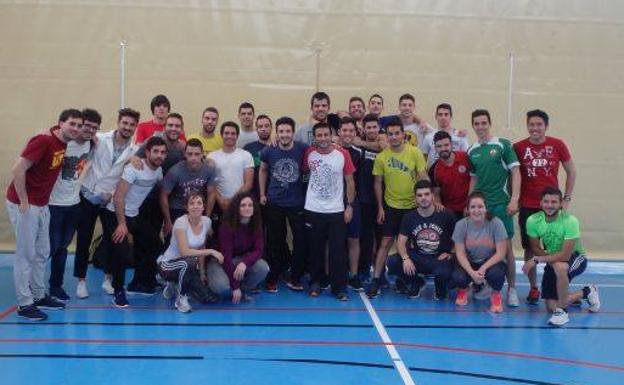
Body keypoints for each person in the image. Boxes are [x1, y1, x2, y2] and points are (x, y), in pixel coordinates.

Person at [6, 109, 81, 320]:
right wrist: (23, 200)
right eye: (72, 124)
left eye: (78, 125)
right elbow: (18, 169)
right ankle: (24, 304)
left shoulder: (60, 141)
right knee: (25, 255)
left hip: (42, 204)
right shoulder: (44, 140)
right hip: (26, 204)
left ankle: (38, 295)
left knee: (42, 252)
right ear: (60, 123)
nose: (75, 128)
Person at [74, 108, 139, 298]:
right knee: (84, 239)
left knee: (112, 240)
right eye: (124, 123)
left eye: (131, 125)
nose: (127, 127)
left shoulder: (134, 150)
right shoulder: (99, 138)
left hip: (109, 199)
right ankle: (81, 281)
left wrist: (134, 159)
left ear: (135, 127)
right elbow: (78, 134)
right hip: (88, 195)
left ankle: (107, 279)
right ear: (118, 122)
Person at [514, 109, 576, 304]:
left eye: (539, 124)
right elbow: (513, 175)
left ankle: (560, 287)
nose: (535, 128)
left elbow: (571, 171)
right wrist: (514, 199)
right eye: (531, 124)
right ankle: (534, 288)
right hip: (528, 205)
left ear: (546, 126)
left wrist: (566, 198)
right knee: (530, 249)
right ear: (527, 126)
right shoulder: (518, 147)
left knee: (556, 248)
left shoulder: (557, 144)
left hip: (551, 206)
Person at [102, 136, 166, 308]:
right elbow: (118, 197)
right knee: (121, 254)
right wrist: (122, 224)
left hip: (135, 215)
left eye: (163, 152)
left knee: (154, 244)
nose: (159, 155)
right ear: (147, 152)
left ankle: (142, 282)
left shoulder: (158, 171)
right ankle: (118, 291)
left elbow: (160, 188)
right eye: (156, 152)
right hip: (115, 214)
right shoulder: (134, 168)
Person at [127, 112, 187, 294]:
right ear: (164, 126)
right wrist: (133, 158)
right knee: (145, 242)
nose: (173, 129)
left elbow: (193, 159)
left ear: (181, 128)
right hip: (144, 200)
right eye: (170, 125)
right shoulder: (153, 141)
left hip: (165, 200)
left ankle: (149, 278)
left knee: (155, 240)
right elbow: (133, 156)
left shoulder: (182, 147)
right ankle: (137, 282)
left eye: (177, 126)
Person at [367, 117, 428, 298]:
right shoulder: (381, 157)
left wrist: (428, 201)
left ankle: (410, 279)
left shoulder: (415, 152)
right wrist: (380, 207)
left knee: (411, 246)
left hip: (412, 207)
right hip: (391, 206)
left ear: (403, 134)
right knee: (385, 243)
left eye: (396, 133)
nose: (393, 137)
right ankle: (376, 279)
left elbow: (423, 176)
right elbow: (378, 184)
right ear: (386, 135)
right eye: (390, 134)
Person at [522, 187, 599, 326]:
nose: (550, 205)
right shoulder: (533, 220)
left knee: (560, 267)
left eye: (554, 202)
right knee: (551, 306)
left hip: (576, 257)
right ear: (540, 203)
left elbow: (565, 255)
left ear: (560, 203)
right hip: (552, 258)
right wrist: (547, 258)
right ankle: (587, 291)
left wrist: (536, 259)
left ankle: (562, 312)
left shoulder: (570, 221)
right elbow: (535, 247)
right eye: (546, 201)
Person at [467, 109, 521, 307]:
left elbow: (515, 172)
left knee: (506, 250)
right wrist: (469, 203)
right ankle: (485, 284)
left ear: (489, 123)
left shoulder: (503, 145)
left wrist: (514, 199)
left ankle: (512, 289)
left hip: (501, 204)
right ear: (473, 125)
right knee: (480, 247)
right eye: (477, 123)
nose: (480, 127)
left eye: (483, 123)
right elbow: (474, 179)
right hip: (481, 208)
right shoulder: (472, 150)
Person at [47, 108, 100, 301]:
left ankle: (56, 286)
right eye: (85, 126)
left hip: (74, 203)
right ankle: (32, 287)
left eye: (94, 128)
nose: (89, 131)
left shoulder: (92, 144)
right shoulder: (63, 143)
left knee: (62, 248)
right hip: (53, 203)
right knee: (48, 248)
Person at [304, 122, 356, 300]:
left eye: (326, 134)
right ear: (315, 137)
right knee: (315, 249)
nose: (323, 138)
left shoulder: (343, 154)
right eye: (320, 135)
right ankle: (316, 283)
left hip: (336, 211)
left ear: (332, 135)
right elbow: (304, 174)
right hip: (313, 209)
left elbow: (349, 181)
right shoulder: (309, 154)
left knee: (337, 251)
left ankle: (339, 287)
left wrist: (349, 206)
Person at [259, 116, 308, 292]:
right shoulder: (268, 151)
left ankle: (295, 277)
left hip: (297, 203)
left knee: (300, 241)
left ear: (293, 133)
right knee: (275, 242)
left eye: (288, 131)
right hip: (275, 203)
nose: (285, 134)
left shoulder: (303, 149)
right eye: (281, 131)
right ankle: (273, 277)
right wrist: (263, 193)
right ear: (276, 133)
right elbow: (263, 170)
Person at [388, 180, 456, 300]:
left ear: (433, 196)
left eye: (426, 194)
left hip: (439, 258)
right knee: (393, 262)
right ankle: (416, 282)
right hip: (418, 257)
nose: (423, 198)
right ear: (415, 198)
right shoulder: (409, 217)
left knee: (444, 272)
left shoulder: (446, 215)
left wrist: (451, 253)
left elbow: (459, 239)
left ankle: (441, 287)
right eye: (419, 195)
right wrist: (405, 258)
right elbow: (400, 242)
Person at [157, 193, 223, 313]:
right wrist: (212, 251)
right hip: (167, 265)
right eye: (191, 203)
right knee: (189, 262)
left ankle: (173, 285)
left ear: (204, 207)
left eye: (199, 203)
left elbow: (201, 247)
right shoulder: (180, 222)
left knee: (209, 298)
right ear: (186, 207)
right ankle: (180, 298)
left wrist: (202, 273)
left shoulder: (207, 221)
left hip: (188, 265)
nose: (196, 206)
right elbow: (185, 252)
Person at [206, 192, 269, 303]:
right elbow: (226, 258)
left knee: (263, 268)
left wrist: (245, 263)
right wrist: (235, 287)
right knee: (221, 286)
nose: (247, 208)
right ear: (237, 208)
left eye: (250, 205)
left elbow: (259, 250)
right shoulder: (227, 226)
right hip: (220, 261)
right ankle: (230, 288)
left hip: (239, 260)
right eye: (243, 205)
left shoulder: (256, 223)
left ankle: (242, 290)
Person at [452, 192, 508, 313]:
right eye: (473, 207)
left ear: (486, 208)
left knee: (497, 274)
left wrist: (483, 268)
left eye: (480, 207)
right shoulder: (461, 225)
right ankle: (463, 289)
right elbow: (460, 254)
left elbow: (501, 253)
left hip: (490, 261)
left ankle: (495, 294)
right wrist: (472, 273)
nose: (476, 210)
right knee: (458, 276)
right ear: (467, 209)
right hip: (470, 261)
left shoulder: (496, 223)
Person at [160, 138, 217, 239]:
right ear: (184, 154)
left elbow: (211, 194)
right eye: (190, 154)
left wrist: (207, 219)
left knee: (201, 239)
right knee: (174, 240)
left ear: (202, 154)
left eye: (197, 154)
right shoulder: (175, 171)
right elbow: (163, 195)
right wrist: (168, 222)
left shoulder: (209, 170)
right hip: (178, 208)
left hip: (198, 207)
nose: (193, 158)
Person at [338, 117, 364, 291]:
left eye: (350, 131)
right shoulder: (331, 150)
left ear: (355, 133)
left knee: (353, 239)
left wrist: (351, 203)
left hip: (352, 202)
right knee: (330, 240)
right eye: (344, 130)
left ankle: (353, 275)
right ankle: (329, 274)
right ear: (339, 132)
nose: (347, 133)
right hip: (331, 203)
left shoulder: (359, 153)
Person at [357, 114, 383, 282]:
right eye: (369, 127)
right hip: (364, 200)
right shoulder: (358, 148)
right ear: (364, 129)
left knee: (382, 239)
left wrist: (362, 142)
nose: (372, 130)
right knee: (365, 238)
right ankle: (364, 270)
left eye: (375, 127)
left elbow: (383, 145)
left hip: (383, 201)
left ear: (379, 128)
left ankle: (379, 274)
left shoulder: (385, 145)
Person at [207, 121, 254, 214]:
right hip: (217, 203)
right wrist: (220, 200)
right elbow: (210, 183)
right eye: (226, 133)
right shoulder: (211, 156)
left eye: (233, 133)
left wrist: (232, 201)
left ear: (237, 136)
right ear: (221, 135)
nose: (230, 136)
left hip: (240, 203)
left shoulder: (246, 155)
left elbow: (248, 183)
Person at [428, 131, 471, 220]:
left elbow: (475, 181)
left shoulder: (466, 158)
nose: (443, 148)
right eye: (439, 146)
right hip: (450, 213)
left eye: (446, 145)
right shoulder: (434, 169)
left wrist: (470, 204)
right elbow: (436, 194)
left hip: (470, 209)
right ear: (435, 148)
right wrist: (440, 207)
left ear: (451, 145)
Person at [244, 114, 272, 199]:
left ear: (271, 128)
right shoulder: (248, 148)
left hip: (273, 195)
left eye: (267, 126)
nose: (263, 129)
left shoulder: (277, 147)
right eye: (260, 126)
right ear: (256, 129)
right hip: (253, 195)